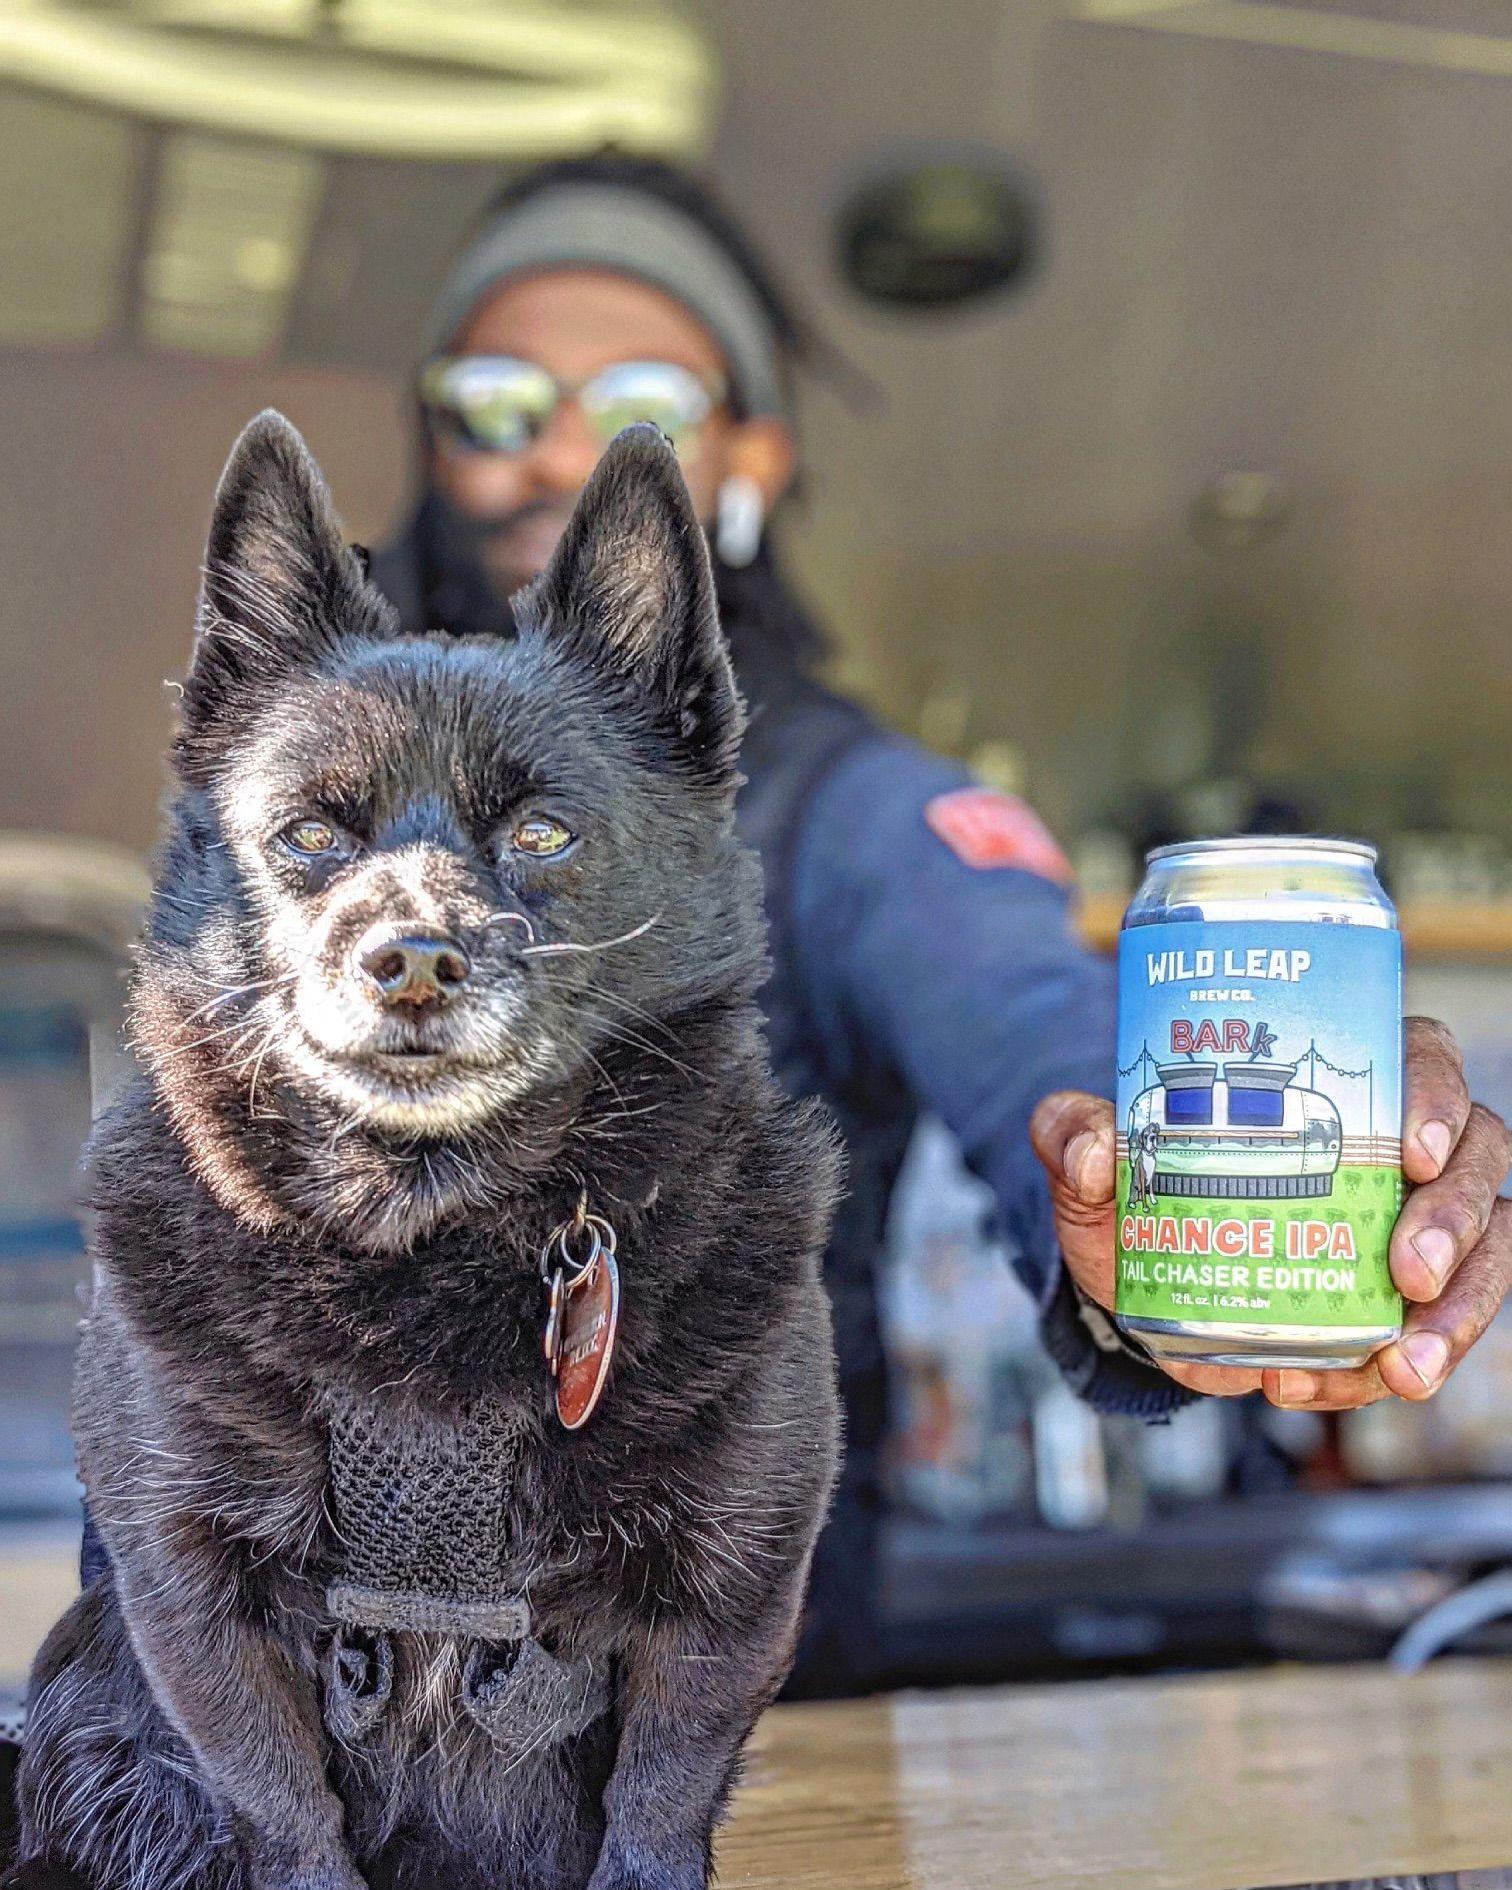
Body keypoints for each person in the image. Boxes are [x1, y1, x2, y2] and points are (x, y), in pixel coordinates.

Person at [370, 154, 1508, 1694]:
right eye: (493, 398)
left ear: (752, 451)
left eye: (639, 396)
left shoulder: (852, 815)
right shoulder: (304, 806)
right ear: (432, 438)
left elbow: (1035, 1031)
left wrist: (1162, 1199)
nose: (556, 446)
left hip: (728, 1737)